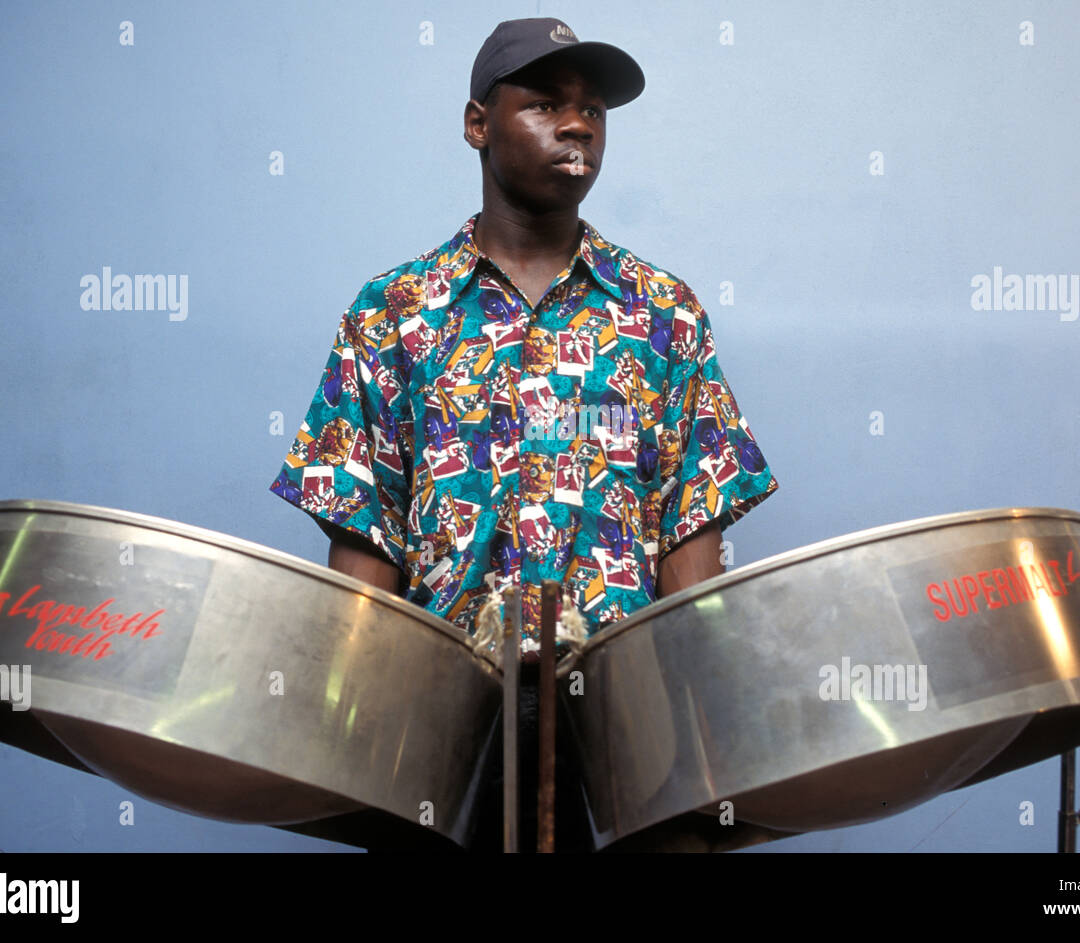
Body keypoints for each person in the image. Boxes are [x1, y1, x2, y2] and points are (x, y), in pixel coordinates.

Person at [268, 16, 778, 852]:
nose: (576, 124)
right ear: (478, 125)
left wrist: (705, 762)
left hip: (626, 729)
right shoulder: (392, 315)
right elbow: (364, 558)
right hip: (445, 727)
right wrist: (360, 754)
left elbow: (695, 547)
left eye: (592, 111)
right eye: (545, 104)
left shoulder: (663, 315)